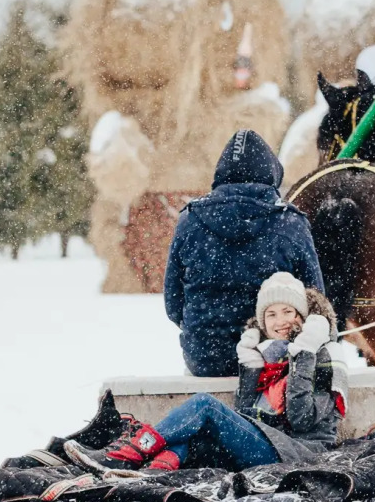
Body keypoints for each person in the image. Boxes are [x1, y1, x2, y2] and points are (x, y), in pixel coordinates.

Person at [67, 272, 342, 471]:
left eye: (288, 312)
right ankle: (152, 475)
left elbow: (302, 419)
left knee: (204, 405)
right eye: (271, 314)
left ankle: (129, 454)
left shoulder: (321, 355)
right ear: (262, 321)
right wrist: (251, 366)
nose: (280, 321)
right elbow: (247, 416)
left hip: (300, 453)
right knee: (192, 434)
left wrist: (304, 352)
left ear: (303, 317)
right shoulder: (268, 357)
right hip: (272, 445)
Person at [164, 129, 325, 378]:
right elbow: (315, 297)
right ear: (272, 174)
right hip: (273, 359)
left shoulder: (190, 219)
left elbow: (173, 304)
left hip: (206, 360)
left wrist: (207, 333)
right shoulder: (290, 222)